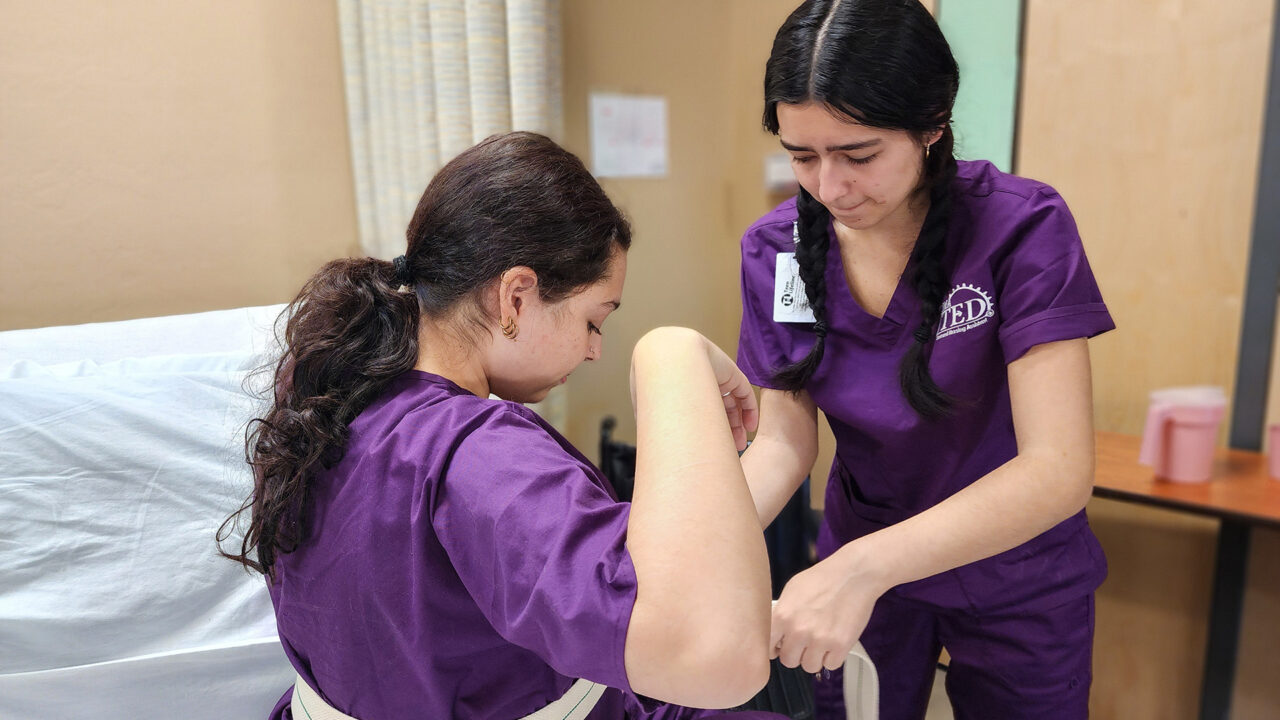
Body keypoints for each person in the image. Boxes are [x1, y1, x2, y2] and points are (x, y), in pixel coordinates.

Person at [220, 132, 785, 720]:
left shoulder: (331, 383)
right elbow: (719, 659)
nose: (596, 351)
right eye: (595, 321)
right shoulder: (480, 455)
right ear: (515, 296)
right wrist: (671, 359)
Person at [735, 2, 1116, 719]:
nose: (829, 188)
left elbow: (1058, 469)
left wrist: (862, 567)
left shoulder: (1022, 227)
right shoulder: (775, 250)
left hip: (1016, 570)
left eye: (859, 154)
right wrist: (699, 539)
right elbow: (785, 441)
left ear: (933, 125)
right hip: (865, 558)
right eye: (801, 156)